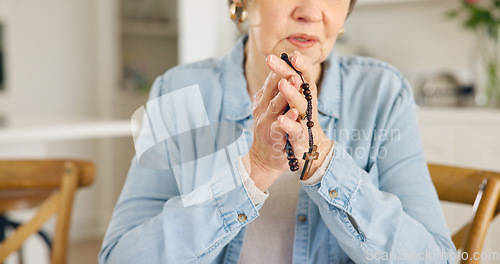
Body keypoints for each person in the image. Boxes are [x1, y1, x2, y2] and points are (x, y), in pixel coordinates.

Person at [99, 0, 457, 263]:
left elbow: (433, 258)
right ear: (241, 3)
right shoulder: (179, 91)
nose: (312, 12)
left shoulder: (382, 93)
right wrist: (254, 170)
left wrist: (323, 164)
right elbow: (121, 258)